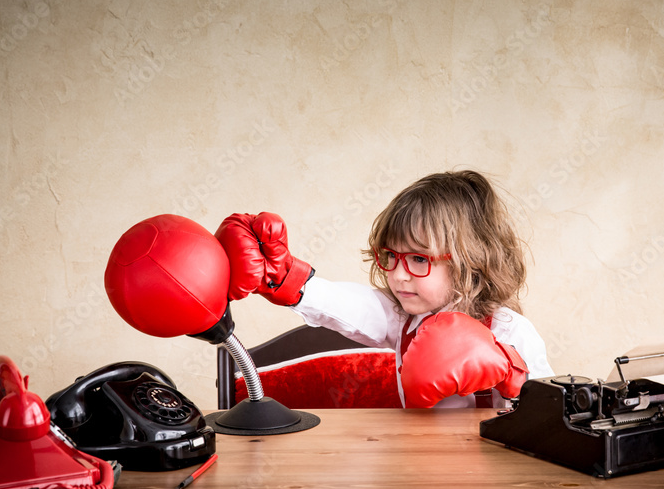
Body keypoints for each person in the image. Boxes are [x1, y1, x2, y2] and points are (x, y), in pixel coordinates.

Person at [215, 170, 553, 408]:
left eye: (419, 259)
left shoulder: (510, 331)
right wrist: (287, 278)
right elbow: (354, 307)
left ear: (472, 261)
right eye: (390, 255)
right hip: (415, 473)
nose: (399, 276)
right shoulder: (405, 319)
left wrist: (513, 379)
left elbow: (550, 421)